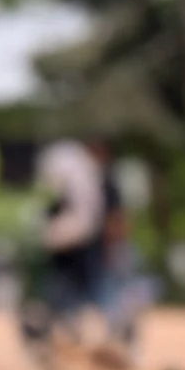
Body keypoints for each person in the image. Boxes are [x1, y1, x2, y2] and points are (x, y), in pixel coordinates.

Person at [34, 137, 116, 327]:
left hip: (73, 234)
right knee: (78, 289)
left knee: (71, 289)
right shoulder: (85, 169)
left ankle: (73, 321)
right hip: (82, 236)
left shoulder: (67, 165)